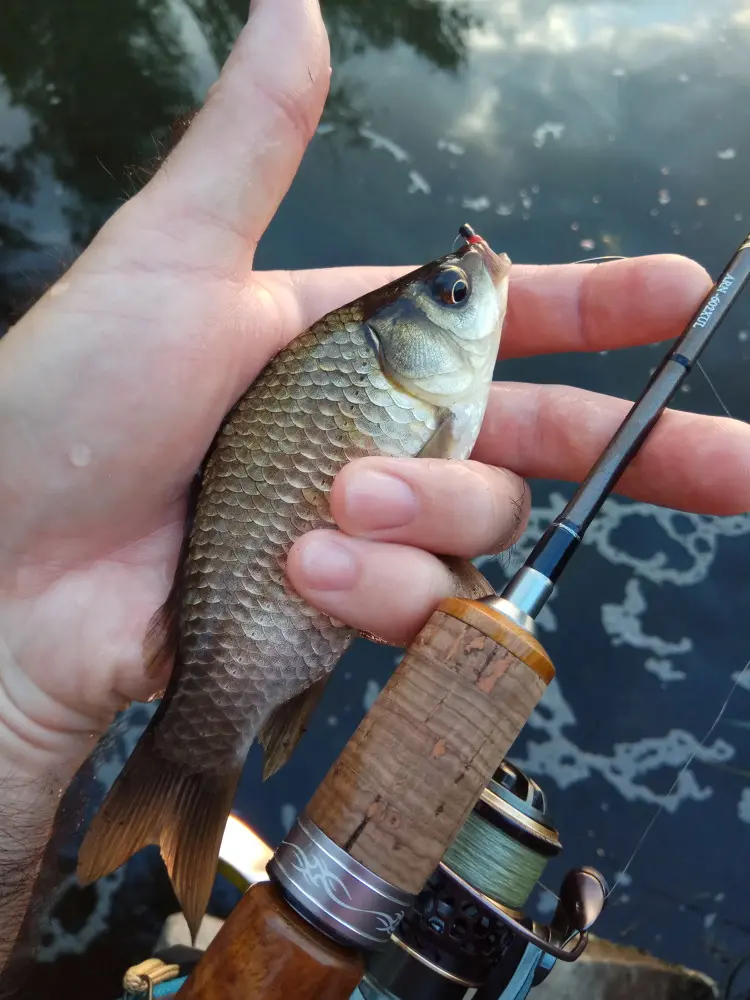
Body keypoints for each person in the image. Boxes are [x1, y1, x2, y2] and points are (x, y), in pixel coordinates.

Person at [0, 0, 748, 976]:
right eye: (452, 293)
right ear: (407, 342)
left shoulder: (412, 382)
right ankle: (185, 775)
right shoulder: (398, 385)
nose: (471, 286)